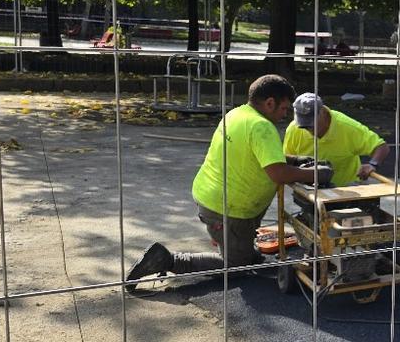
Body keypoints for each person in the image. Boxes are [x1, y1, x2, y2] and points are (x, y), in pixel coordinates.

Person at [126, 74, 332, 288]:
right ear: (270, 103)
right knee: (235, 268)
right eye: (284, 109)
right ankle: (169, 260)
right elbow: (278, 173)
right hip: (227, 209)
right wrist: (316, 174)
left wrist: (297, 161)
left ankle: (242, 251)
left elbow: (260, 156)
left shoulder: (237, 114)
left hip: (212, 196)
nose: (285, 115)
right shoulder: (262, 127)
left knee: (246, 254)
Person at [283, 92, 390, 185]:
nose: (309, 129)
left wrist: (372, 164)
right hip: (310, 187)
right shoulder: (294, 129)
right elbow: (286, 159)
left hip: (348, 188)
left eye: (311, 124)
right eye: (304, 126)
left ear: (323, 112)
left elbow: (381, 146)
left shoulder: (347, 127)